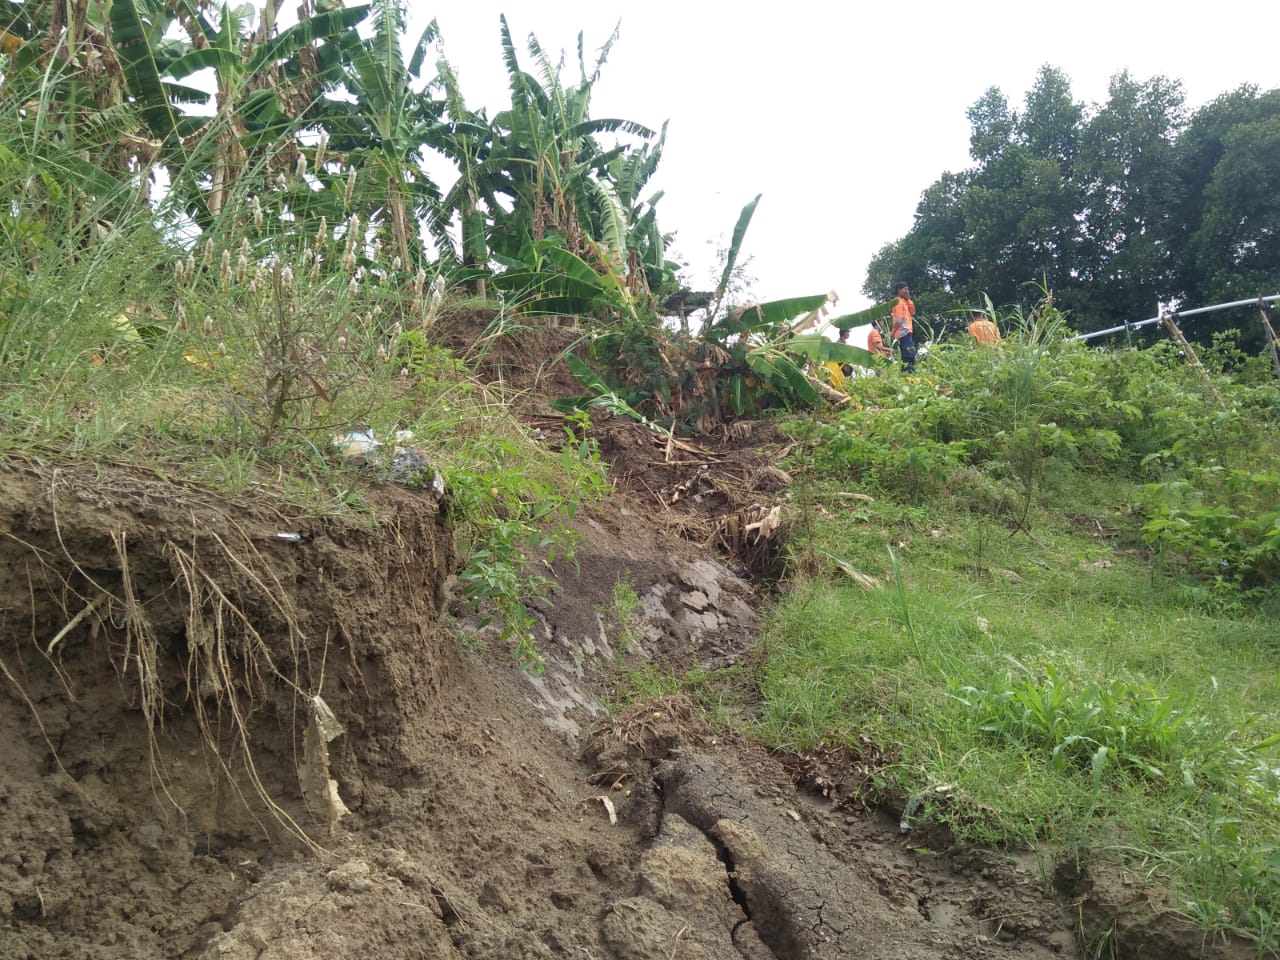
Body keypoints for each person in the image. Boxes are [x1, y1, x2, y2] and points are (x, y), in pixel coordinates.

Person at [890, 282, 917, 371]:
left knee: (907, 355)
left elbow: (913, 312)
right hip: (903, 332)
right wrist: (892, 332)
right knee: (908, 355)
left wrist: (908, 299)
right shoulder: (897, 302)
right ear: (899, 290)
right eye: (904, 289)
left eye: (907, 289)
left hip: (906, 332)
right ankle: (909, 374)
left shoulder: (905, 301)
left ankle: (908, 374)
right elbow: (898, 320)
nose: (907, 291)